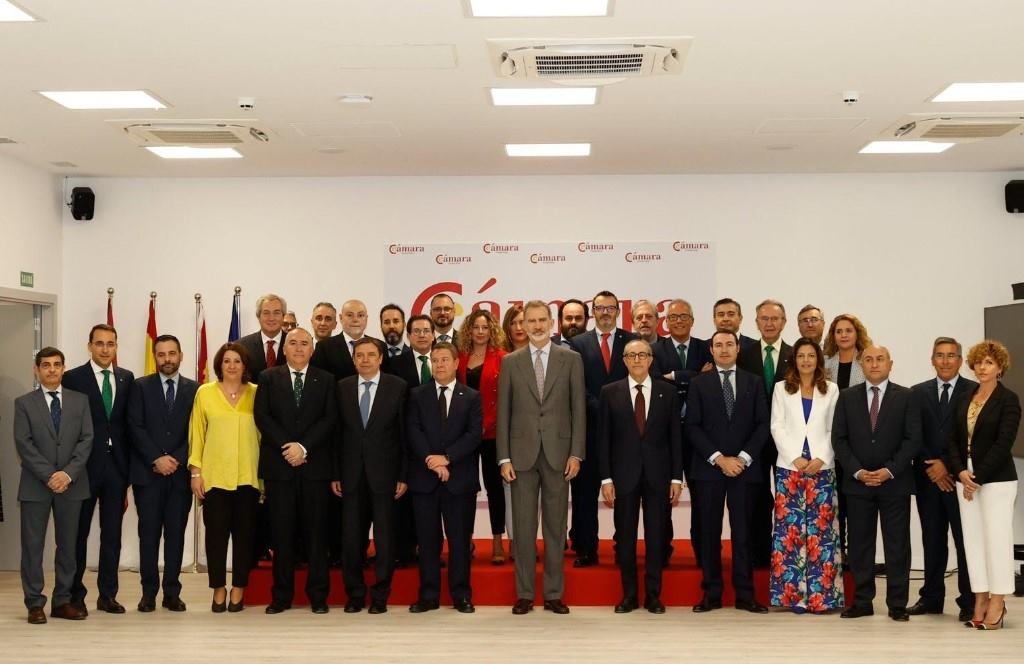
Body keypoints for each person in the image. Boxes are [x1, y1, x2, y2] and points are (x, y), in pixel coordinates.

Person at [497, 300, 586, 615]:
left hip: (559, 455)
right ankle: (524, 593)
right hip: (520, 456)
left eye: (541, 320)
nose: (535, 326)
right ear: (523, 325)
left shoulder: (571, 360)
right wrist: (503, 458)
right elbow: (503, 413)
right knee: (523, 529)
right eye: (530, 321)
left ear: (551, 323)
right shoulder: (510, 362)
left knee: (555, 528)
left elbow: (578, 410)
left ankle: (552, 594)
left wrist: (576, 453)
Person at [832, 346, 920, 621]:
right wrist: (858, 471)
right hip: (858, 484)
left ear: (890, 364)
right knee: (860, 545)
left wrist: (889, 470)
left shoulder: (906, 396)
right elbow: (839, 439)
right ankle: (862, 601)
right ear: (861, 365)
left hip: (894, 483)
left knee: (897, 545)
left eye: (880, 359)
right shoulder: (847, 396)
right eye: (868, 360)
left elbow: (913, 439)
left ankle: (897, 604)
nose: (874, 364)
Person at [254, 328, 337, 615]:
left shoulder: (326, 379)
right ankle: (281, 596)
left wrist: (303, 447)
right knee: (282, 534)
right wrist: (288, 448)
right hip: (280, 468)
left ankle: (318, 596)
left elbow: (330, 418)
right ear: (284, 349)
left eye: (304, 343)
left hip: (315, 468)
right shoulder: (268, 377)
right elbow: (262, 416)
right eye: (293, 343)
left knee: (317, 535)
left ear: (312, 349)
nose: (299, 348)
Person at [686, 331, 770, 614]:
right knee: (709, 533)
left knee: (743, 534)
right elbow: (692, 426)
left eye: (729, 344)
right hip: (709, 469)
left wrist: (743, 459)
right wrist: (719, 459)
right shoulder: (698, 383)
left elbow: (763, 424)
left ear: (738, 348)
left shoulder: (754, 382)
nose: (724, 349)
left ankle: (745, 595)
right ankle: (711, 594)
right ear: (711, 350)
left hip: (745, 470)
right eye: (718, 345)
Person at [599, 339, 683, 614]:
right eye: (631, 355)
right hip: (623, 476)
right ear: (624, 360)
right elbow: (604, 439)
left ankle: (653, 596)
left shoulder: (668, 392)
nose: (637, 360)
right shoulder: (610, 392)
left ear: (651, 359)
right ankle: (629, 595)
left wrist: (676, 478)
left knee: (656, 537)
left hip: (659, 476)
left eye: (642, 355)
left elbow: (675, 437)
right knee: (625, 538)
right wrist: (606, 479)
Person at [15, 347, 93, 624]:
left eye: (56, 364)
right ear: (36, 370)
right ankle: (35, 603)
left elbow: (87, 439)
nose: (51, 369)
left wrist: (67, 474)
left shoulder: (80, 401)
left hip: (72, 485)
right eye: (45, 365)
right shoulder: (24, 403)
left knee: (68, 546)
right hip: (35, 486)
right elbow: (24, 444)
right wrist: (51, 475)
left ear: (63, 368)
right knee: (33, 547)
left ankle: (62, 601)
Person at [62, 323, 134, 615]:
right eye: (100, 343)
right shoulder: (72, 378)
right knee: (77, 534)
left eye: (110, 344)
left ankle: (108, 595)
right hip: (83, 468)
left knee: (112, 535)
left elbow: (127, 424)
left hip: (116, 469)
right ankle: (75, 594)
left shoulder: (126, 378)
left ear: (116, 346)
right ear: (89, 346)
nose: (105, 349)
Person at [948, 340, 1020, 630]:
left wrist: (976, 478)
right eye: (978, 362)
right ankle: (980, 599)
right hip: (965, 478)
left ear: (1000, 367)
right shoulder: (964, 396)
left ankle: (998, 602)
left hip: (996, 481)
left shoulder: (1008, 399)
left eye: (988, 362)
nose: (982, 367)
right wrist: (960, 473)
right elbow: (951, 440)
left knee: (996, 541)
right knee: (973, 542)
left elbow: (1004, 443)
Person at [406, 342, 483, 614]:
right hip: (424, 479)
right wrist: (432, 460)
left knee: (459, 541)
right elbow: (413, 430)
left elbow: (474, 434)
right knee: (427, 542)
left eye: (444, 360)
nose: (439, 365)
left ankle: (461, 595)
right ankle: (428, 595)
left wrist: (447, 458)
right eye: (435, 360)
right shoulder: (416, 395)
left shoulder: (471, 396)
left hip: (459, 480)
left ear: (456, 363)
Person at [768, 338, 843, 614]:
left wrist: (821, 457)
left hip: (822, 468)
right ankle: (793, 598)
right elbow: (777, 426)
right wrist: (795, 458)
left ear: (818, 360)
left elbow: (834, 428)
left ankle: (822, 598)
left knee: (821, 534)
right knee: (791, 533)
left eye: (811, 355)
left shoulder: (831, 389)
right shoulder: (781, 388)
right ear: (794, 360)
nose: (806, 360)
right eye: (801, 356)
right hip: (790, 469)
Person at [333, 337, 408, 614]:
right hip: (350, 475)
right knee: (351, 538)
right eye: (359, 355)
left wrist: (403, 475)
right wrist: (335, 473)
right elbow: (336, 435)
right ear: (354, 360)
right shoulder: (342, 387)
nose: (365, 360)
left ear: (380, 358)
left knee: (385, 539)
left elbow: (403, 435)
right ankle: (354, 595)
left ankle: (380, 595)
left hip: (386, 476)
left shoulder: (397, 386)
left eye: (370, 355)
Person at [126, 334, 198, 613]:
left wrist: (176, 459)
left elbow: (197, 431)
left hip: (180, 477)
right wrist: (156, 458)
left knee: (176, 536)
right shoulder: (140, 387)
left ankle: (172, 593)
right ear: (155, 357)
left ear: (181, 356)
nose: (167, 359)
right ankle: (148, 594)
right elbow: (134, 427)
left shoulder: (196, 389)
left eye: (172, 353)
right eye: (161, 354)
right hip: (148, 475)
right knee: (149, 536)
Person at [188, 342, 261, 613]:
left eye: (237, 361)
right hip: (214, 477)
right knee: (216, 538)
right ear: (219, 364)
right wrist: (196, 472)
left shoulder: (256, 393)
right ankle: (218, 588)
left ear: (245, 366)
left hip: (248, 476)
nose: (231, 366)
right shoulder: (205, 393)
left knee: (245, 537)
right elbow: (197, 433)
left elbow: (263, 436)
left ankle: (239, 588)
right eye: (227, 361)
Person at [908, 337, 976, 622]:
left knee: (965, 541)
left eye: (951, 356)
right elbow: (912, 434)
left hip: (960, 479)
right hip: (927, 480)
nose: (945, 361)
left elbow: (973, 436)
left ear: (960, 361)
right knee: (932, 539)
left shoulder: (974, 391)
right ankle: (931, 598)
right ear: (932, 360)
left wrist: (946, 466)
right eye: (940, 355)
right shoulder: (916, 392)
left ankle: (969, 601)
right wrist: (933, 468)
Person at [569, 290, 637, 567]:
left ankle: (623, 547)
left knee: (625, 494)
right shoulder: (577, 344)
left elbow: (637, 380)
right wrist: (603, 408)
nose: (605, 312)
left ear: (618, 311)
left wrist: (617, 411)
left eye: (610, 308)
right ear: (592, 312)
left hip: (624, 433)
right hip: (588, 431)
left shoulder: (632, 341)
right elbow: (576, 386)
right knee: (584, 494)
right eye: (600, 308)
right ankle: (587, 549)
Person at [651, 298, 713, 563]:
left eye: (683, 316)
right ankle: (662, 552)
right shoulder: (654, 350)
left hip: (701, 436)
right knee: (662, 496)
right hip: (665, 434)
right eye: (673, 317)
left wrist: (673, 376)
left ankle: (703, 552)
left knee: (702, 498)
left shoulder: (706, 348)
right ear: (666, 321)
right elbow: (655, 382)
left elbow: (712, 379)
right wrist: (694, 375)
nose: (678, 321)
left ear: (692, 320)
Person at [737, 298, 793, 568]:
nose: (769, 323)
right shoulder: (743, 355)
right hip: (754, 440)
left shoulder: (797, 355)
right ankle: (760, 555)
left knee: (788, 498)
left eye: (775, 319)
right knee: (757, 498)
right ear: (756, 322)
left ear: (784, 322)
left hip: (789, 440)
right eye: (764, 318)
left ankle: (787, 553)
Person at [456, 309, 509, 564]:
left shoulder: (503, 358)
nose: (480, 332)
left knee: (495, 489)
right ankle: (465, 540)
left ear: (492, 331)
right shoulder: (460, 358)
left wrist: (487, 425)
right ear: (468, 330)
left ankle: (498, 541)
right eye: (475, 327)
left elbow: (506, 399)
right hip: (464, 434)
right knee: (465, 488)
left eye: (485, 327)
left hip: (493, 434)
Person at [311, 299, 383, 382]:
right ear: (341, 318)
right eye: (349, 315)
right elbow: (319, 381)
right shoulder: (324, 347)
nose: (355, 320)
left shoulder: (380, 346)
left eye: (360, 315)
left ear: (366, 319)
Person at [237, 293, 287, 382]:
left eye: (276, 313)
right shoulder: (242, 346)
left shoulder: (295, 345)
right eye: (266, 313)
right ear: (258, 316)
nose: (271, 318)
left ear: (283, 316)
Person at [823, 314, 872, 389]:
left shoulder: (867, 361)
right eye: (839, 332)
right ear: (833, 336)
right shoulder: (825, 362)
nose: (843, 335)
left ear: (857, 334)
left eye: (848, 331)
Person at [388, 314, 435, 388]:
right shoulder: (395, 364)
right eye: (416, 331)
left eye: (426, 331)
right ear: (408, 336)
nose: (422, 335)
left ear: (433, 335)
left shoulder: (444, 360)